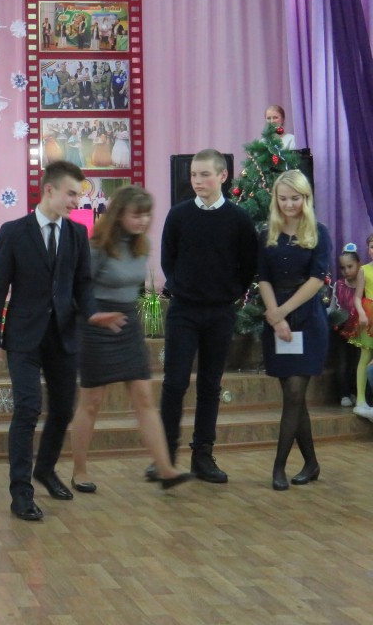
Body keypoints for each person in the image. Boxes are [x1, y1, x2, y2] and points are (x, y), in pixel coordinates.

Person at [0, 160, 126, 521]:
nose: (77, 201)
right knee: (28, 408)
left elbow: (83, 285)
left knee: (63, 409)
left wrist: (93, 313)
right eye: (72, 194)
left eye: (79, 195)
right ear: (50, 190)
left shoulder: (77, 233)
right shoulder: (14, 232)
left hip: (63, 336)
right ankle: (21, 492)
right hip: (23, 337)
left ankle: (45, 469)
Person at [68, 187, 193, 492]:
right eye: (137, 214)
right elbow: (78, 289)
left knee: (144, 398)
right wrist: (95, 316)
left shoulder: (142, 245)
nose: (143, 221)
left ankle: (165, 468)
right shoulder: (98, 246)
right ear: (119, 214)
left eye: (147, 214)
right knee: (91, 402)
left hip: (127, 323)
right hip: (96, 324)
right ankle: (79, 470)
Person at [155, 149, 258, 484]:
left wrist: (230, 292)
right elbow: (168, 258)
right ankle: (166, 457)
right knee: (174, 383)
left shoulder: (239, 218)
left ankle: (203, 455)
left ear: (223, 176)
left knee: (210, 385)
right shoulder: (179, 215)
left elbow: (248, 264)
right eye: (194, 175)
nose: (197, 181)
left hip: (219, 312)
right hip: (183, 310)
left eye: (205, 175)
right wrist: (183, 286)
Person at [256, 171, 331, 490]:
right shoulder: (267, 234)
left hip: (307, 319)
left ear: (306, 198)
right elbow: (263, 277)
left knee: (296, 393)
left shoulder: (318, 231)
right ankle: (311, 463)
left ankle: (279, 467)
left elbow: (317, 279)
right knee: (292, 395)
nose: (289, 204)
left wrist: (282, 313)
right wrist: (275, 317)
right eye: (283, 198)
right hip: (277, 318)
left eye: (295, 198)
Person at [332, 244, 362, 407]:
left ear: (358, 264)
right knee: (343, 362)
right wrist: (333, 318)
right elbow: (333, 307)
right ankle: (343, 393)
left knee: (357, 362)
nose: (346, 271)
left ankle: (356, 392)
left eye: (350, 266)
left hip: (360, 331)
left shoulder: (364, 285)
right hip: (342, 331)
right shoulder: (338, 285)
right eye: (343, 268)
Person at [351, 233, 373, 418]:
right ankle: (360, 399)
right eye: (372, 246)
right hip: (369, 314)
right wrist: (362, 313)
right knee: (365, 356)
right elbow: (357, 297)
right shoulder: (364, 270)